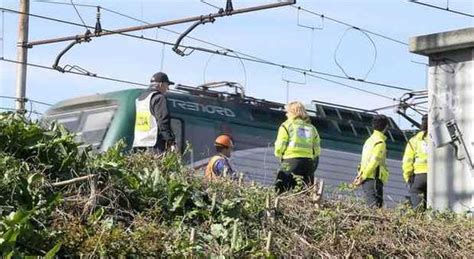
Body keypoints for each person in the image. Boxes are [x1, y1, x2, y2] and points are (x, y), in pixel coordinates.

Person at [274, 101, 320, 194]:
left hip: (290, 162)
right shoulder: (312, 128)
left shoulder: (286, 126)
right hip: (308, 164)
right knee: (304, 195)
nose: (286, 114)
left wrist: (279, 155)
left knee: (280, 190)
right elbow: (317, 150)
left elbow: (280, 145)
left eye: (287, 112)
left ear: (292, 112)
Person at [132, 72, 175, 154]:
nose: (168, 89)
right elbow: (163, 121)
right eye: (167, 85)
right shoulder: (159, 98)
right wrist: (170, 141)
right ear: (161, 84)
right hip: (154, 144)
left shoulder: (140, 99)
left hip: (139, 143)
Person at [353, 115, 390, 208]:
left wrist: (360, 175)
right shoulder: (380, 142)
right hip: (374, 178)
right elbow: (374, 162)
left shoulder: (369, 141)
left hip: (366, 177)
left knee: (370, 204)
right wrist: (363, 176)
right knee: (375, 207)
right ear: (386, 127)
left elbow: (364, 161)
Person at [402, 114, 428, 210]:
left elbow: (407, 161)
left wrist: (407, 177)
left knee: (418, 207)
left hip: (419, 176)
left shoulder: (414, 140)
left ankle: (420, 219)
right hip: (436, 177)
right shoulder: (437, 139)